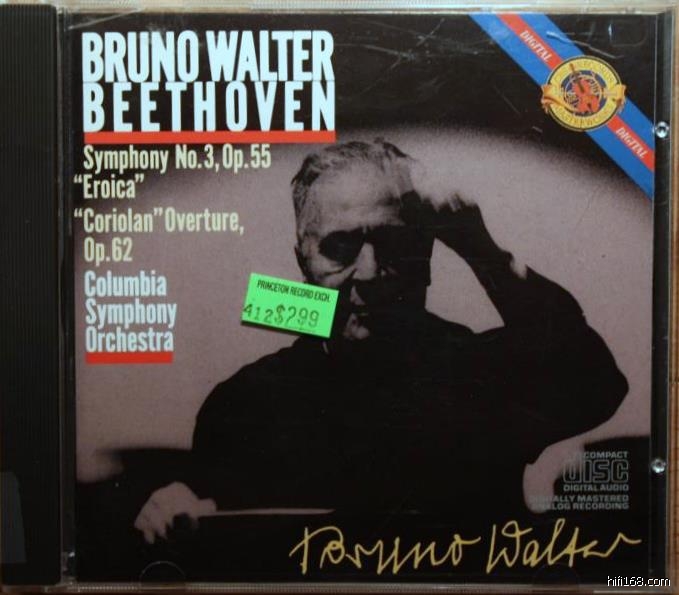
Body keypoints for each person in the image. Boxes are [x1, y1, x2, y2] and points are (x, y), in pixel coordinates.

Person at [133, 140, 628, 545]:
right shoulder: (244, 404)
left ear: (427, 256)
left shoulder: (483, 372)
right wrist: (176, 505)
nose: (369, 274)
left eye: (395, 245)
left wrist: (481, 247)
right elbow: (212, 513)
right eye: (340, 247)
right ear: (303, 260)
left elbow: (595, 382)